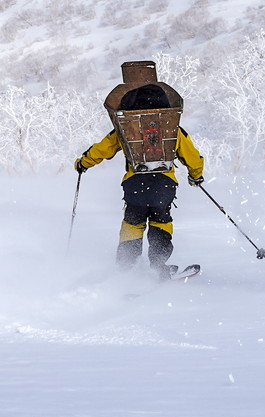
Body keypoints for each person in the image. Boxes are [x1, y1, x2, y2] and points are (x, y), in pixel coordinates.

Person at [75, 71, 204, 275]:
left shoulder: (127, 129)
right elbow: (193, 157)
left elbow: (102, 148)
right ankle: (158, 266)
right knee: (160, 223)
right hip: (163, 186)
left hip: (135, 186)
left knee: (132, 224)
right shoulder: (173, 130)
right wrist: (196, 175)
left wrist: (83, 163)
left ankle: (127, 267)